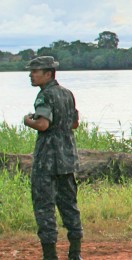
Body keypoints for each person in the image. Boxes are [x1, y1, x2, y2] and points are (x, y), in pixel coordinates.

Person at [23, 56, 84, 260]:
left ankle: (50, 256)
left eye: (35, 71)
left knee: (44, 206)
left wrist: (27, 121)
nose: (31, 75)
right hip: (67, 158)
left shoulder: (44, 95)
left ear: (48, 74)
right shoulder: (67, 94)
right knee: (69, 205)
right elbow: (75, 124)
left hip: (47, 160)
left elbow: (43, 125)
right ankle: (75, 254)